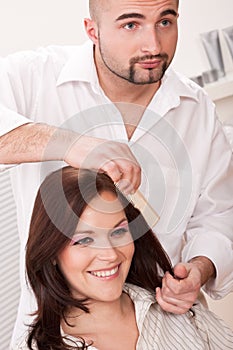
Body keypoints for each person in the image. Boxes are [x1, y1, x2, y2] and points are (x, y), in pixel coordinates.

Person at [0, 0, 232, 347]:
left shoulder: (196, 108)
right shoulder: (32, 76)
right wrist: (70, 144)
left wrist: (199, 269)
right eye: (130, 25)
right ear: (92, 31)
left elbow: (218, 214)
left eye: (165, 22)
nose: (153, 45)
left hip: (171, 325)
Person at [18, 166, 233, 350]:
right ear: (52, 252)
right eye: (84, 240)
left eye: (118, 232)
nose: (111, 254)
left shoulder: (183, 315)